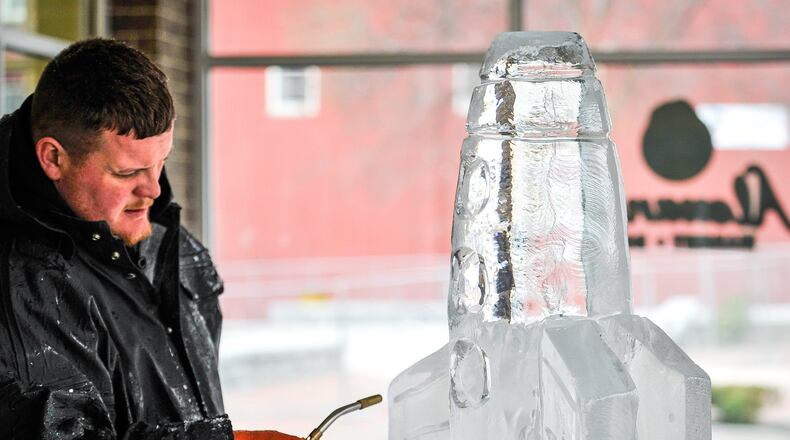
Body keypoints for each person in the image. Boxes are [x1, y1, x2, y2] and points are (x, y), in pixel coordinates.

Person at [0, 39, 300, 439]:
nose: (154, 189)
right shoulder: (20, 281)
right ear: (53, 158)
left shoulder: (174, 249)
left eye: (161, 163)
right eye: (127, 173)